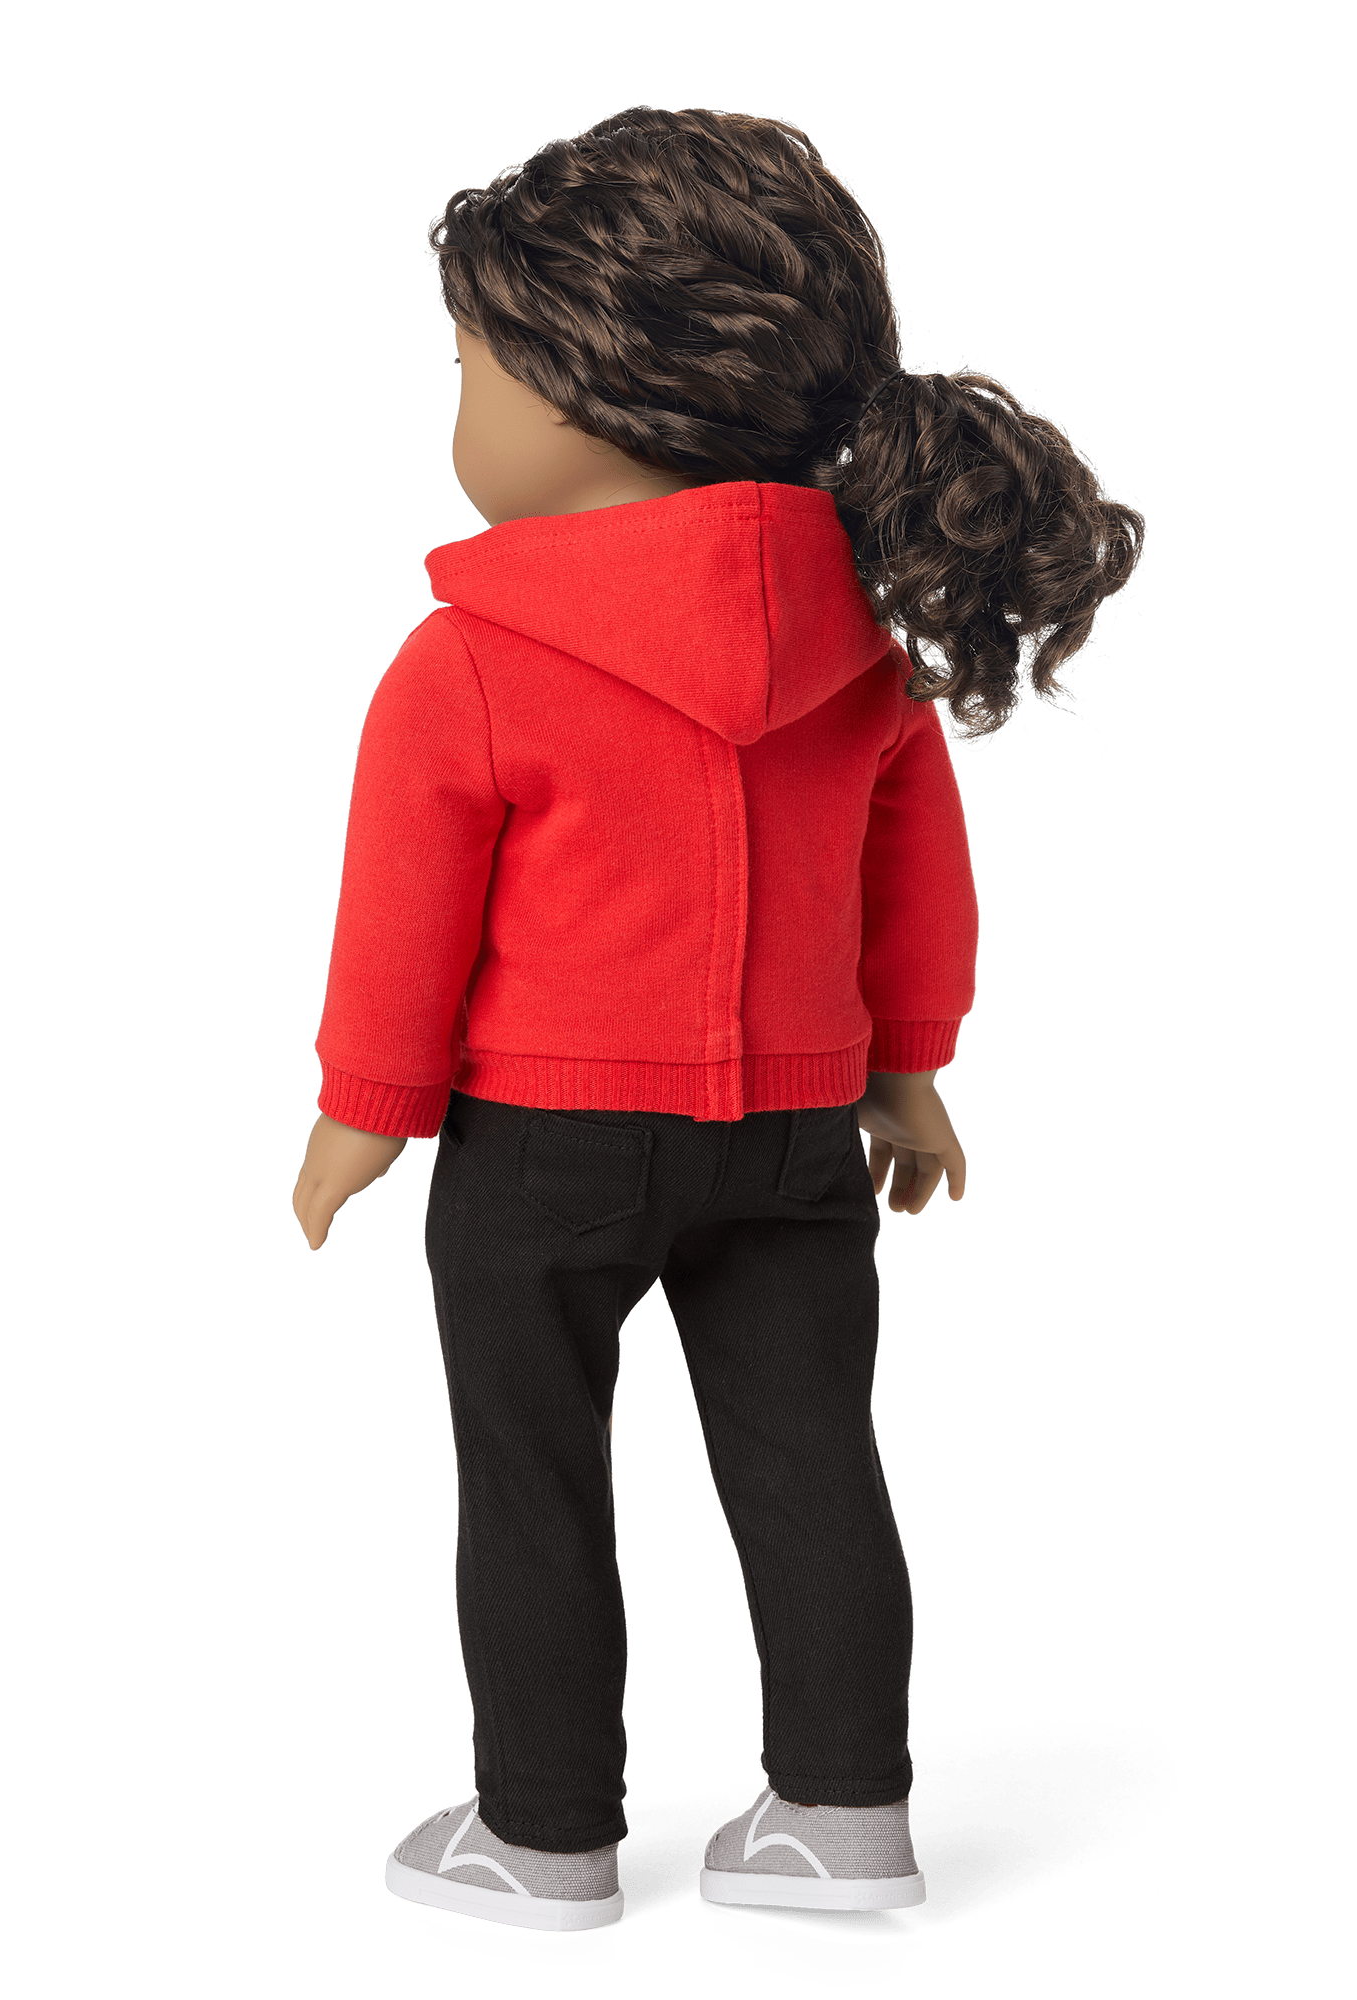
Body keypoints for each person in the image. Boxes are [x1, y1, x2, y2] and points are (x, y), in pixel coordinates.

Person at [291, 105, 1145, 1936]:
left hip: (544, 1142)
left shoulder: (473, 654)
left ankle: (543, 1843)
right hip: (796, 1133)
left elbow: (404, 911)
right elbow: (915, 883)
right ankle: (844, 1820)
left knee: (533, 1484)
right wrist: (910, 1075)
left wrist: (364, 1108)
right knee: (812, 1465)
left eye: (472, 367)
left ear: (584, 389)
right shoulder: (866, 644)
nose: (462, 409)